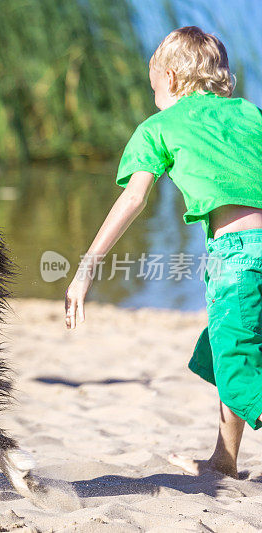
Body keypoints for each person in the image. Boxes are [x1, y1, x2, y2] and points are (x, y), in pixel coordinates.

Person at [64, 26, 262, 478]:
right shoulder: (250, 114)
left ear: (170, 78)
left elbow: (133, 199)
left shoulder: (159, 126)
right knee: (226, 347)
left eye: (152, 84)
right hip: (249, 255)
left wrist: (86, 269)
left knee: (238, 368)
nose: (152, 92)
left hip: (237, 257)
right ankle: (224, 460)